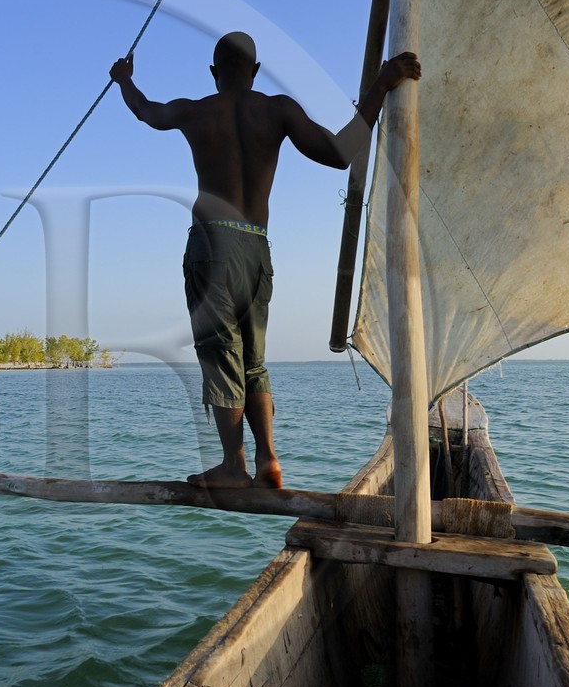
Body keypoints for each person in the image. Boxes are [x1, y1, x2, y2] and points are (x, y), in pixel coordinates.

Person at [110, 32, 420, 489]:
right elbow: (341, 153)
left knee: (221, 355)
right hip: (257, 247)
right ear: (255, 72)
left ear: (213, 73)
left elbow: (145, 111)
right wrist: (381, 84)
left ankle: (233, 465)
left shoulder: (195, 111)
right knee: (253, 362)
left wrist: (123, 79)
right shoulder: (278, 110)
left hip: (211, 246)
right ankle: (268, 460)